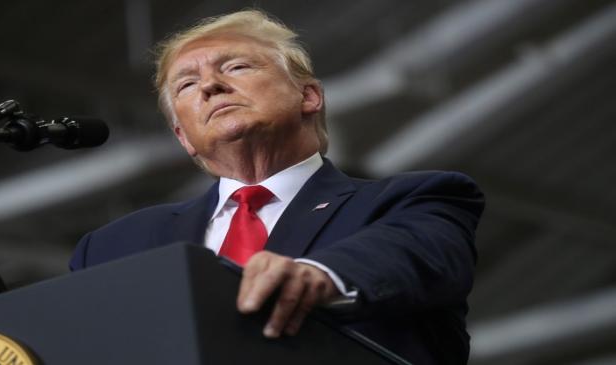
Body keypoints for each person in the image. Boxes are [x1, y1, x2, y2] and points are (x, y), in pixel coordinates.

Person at [70, 10, 484, 365]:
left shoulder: (415, 200)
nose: (211, 86)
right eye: (187, 85)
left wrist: (317, 274)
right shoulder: (113, 248)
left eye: (235, 67)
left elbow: (415, 251)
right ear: (183, 136)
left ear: (309, 96)